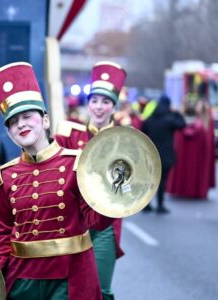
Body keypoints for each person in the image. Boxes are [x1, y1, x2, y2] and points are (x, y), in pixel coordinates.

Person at [0, 62, 114, 300]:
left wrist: (113, 194)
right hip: (23, 280)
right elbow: (2, 232)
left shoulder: (78, 164)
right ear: (9, 132)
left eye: (27, 117)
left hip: (71, 276)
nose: (21, 124)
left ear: (45, 121)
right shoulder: (4, 176)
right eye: (13, 122)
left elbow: (95, 220)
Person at [54, 61, 126, 300]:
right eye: (94, 100)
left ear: (113, 106)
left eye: (105, 102)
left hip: (105, 223)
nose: (99, 107)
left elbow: (130, 184)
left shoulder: (124, 141)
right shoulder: (68, 134)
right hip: (71, 220)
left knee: (102, 289)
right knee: (66, 286)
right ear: (88, 103)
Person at [141, 95, 185, 213]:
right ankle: (160, 205)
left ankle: (146, 204)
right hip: (166, 155)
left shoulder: (149, 119)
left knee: (150, 180)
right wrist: (177, 113)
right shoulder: (170, 120)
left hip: (151, 154)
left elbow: (142, 131)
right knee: (162, 181)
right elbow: (182, 125)